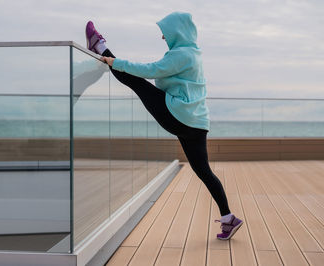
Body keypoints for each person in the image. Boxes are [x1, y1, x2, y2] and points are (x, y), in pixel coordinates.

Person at [85, 11, 243, 240]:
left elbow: (150, 71)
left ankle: (99, 46)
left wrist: (114, 62)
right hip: (197, 123)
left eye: (165, 33)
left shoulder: (181, 55)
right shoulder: (193, 54)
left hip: (178, 115)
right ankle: (228, 218)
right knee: (205, 172)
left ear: (177, 32)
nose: (162, 38)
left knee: (136, 81)